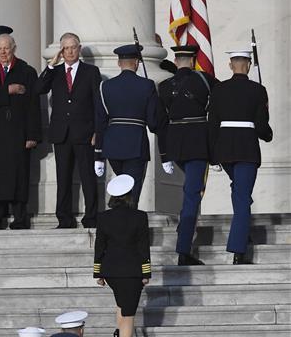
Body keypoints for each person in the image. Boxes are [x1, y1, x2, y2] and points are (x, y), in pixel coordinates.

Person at [208, 50, 273, 264]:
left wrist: (212, 154)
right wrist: (268, 135)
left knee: (239, 192)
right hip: (246, 148)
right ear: (249, 64)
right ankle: (238, 249)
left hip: (225, 149)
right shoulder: (258, 90)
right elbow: (262, 125)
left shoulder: (218, 89)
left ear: (230, 65)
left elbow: (213, 123)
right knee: (243, 197)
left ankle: (243, 231)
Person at [0, 33, 41, 229]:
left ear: (14, 48)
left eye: (6, 48)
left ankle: (20, 219)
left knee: (18, 176)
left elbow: (33, 105)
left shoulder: (27, 71)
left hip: (18, 132)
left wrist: (32, 135)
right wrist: (7, 91)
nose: (3, 52)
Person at [158, 44, 215, 265]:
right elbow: (216, 112)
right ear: (192, 60)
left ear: (176, 59)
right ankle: (183, 250)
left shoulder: (164, 86)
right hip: (197, 145)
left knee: (189, 191)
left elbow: (160, 122)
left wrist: (164, 153)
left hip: (175, 145)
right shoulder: (204, 80)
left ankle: (185, 228)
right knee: (192, 194)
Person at [37, 32, 102, 228]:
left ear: (79, 49)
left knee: (88, 178)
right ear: (61, 50)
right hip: (61, 134)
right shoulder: (54, 72)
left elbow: (98, 104)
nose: (70, 51)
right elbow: (38, 88)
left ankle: (91, 217)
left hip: (85, 134)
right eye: (66, 48)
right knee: (63, 179)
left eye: (73, 47)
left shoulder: (91, 72)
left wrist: (97, 131)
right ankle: (64, 219)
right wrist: (50, 65)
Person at [94, 44, 164, 207]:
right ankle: (129, 220)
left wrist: (98, 154)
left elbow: (101, 122)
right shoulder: (147, 85)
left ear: (119, 63)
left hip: (112, 146)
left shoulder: (105, 86)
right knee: (133, 189)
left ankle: (119, 218)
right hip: (136, 144)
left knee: (121, 187)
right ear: (137, 63)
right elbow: (153, 123)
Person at [94, 174, 151, 337]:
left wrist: (98, 272)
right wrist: (146, 273)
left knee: (121, 303)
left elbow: (99, 246)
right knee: (128, 313)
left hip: (111, 270)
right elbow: (144, 247)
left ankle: (120, 332)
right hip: (131, 270)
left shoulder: (103, 217)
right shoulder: (140, 217)